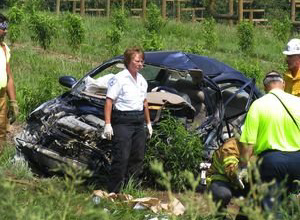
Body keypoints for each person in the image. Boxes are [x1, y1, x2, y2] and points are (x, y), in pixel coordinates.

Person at [239, 71, 300, 211]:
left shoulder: (258, 105)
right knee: (291, 207)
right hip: (298, 161)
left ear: (265, 87)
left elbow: (248, 143)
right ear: (283, 84)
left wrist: (242, 166)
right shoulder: (298, 102)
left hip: (272, 163)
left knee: (272, 209)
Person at [103, 46, 152, 193]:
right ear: (128, 61)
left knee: (137, 157)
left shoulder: (142, 80)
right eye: (137, 60)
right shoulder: (119, 79)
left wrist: (148, 123)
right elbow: (109, 101)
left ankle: (132, 189)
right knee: (122, 157)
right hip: (123, 121)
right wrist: (107, 124)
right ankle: (114, 192)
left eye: (141, 61)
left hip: (138, 121)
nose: (140, 63)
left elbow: (144, 103)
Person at [207, 137, 249, 220]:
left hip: (240, 182)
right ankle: (219, 216)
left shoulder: (256, 146)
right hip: (221, 178)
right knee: (222, 194)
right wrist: (243, 168)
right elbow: (231, 171)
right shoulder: (231, 146)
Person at [0, 13, 18, 152]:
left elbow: (8, 75)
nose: (5, 31)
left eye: (6, 27)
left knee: (1, 131)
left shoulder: (5, 49)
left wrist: (13, 102)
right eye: (2, 27)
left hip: (1, 98)